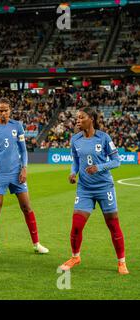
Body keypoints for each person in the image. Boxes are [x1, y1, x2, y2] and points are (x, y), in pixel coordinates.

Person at [59, 107, 128, 275]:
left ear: (91, 119)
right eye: (77, 118)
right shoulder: (75, 139)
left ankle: (121, 262)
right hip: (84, 189)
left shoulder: (104, 138)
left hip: (104, 187)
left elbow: (116, 161)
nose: (77, 120)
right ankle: (75, 257)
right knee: (76, 226)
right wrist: (72, 172)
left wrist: (99, 167)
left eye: (81, 117)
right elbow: (75, 161)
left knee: (113, 225)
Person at [0, 98, 49, 256]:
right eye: (0, 110)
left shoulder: (17, 126)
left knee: (26, 206)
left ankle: (36, 244)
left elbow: (23, 150)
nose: (3, 113)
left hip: (16, 172)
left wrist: (24, 168)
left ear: (10, 110)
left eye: (6, 110)